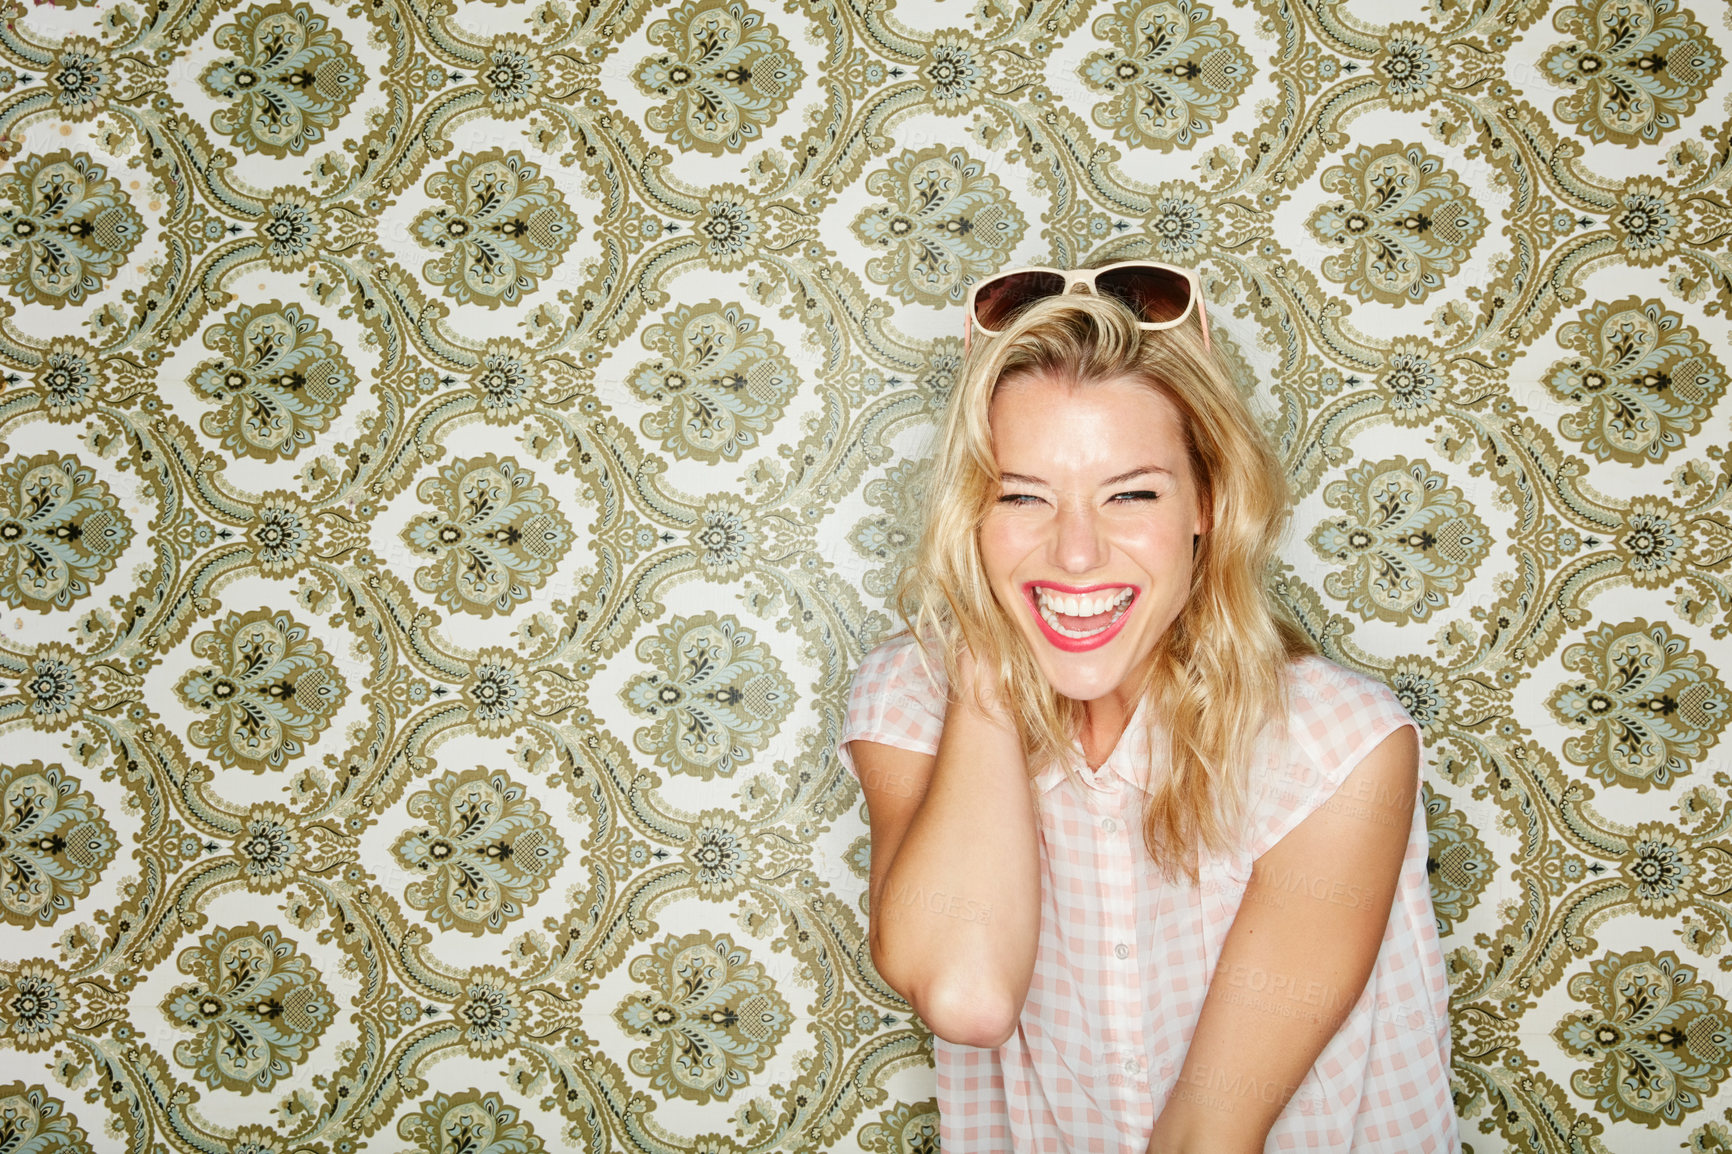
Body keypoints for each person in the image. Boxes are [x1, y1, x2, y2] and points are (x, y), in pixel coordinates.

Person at [837, 262, 1457, 1153]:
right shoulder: (910, 700)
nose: (1077, 553)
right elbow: (968, 995)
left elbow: (1209, 1134)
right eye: (1021, 496)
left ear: (1206, 503)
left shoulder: (1337, 744)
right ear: (969, 517)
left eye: (1131, 494)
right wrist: (987, 652)